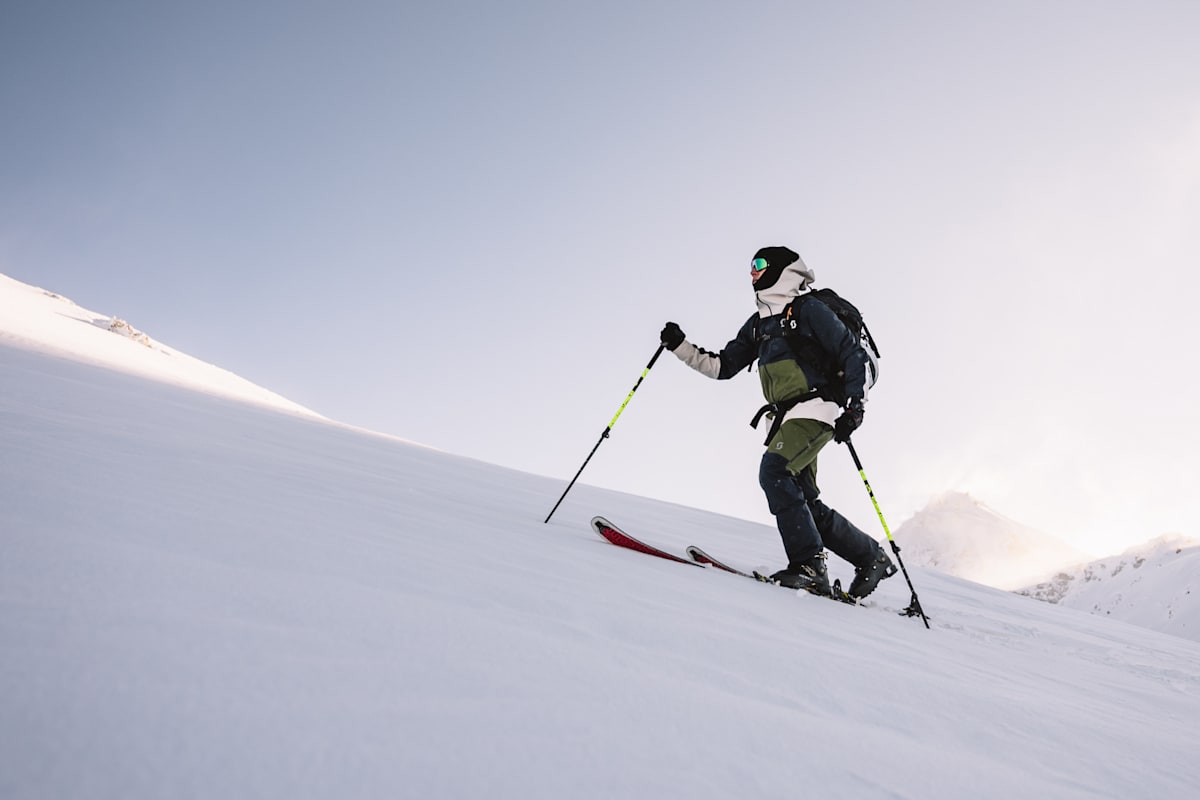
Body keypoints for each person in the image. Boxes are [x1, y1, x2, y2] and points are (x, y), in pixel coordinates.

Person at [660, 245, 896, 599]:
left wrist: (855, 407)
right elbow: (722, 367)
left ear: (783, 269)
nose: (752, 273)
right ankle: (869, 556)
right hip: (787, 418)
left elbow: (852, 353)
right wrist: (680, 346)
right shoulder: (758, 327)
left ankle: (809, 566)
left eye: (759, 264)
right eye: (751, 267)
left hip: (817, 408)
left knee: (774, 472)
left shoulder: (807, 309)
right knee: (804, 500)